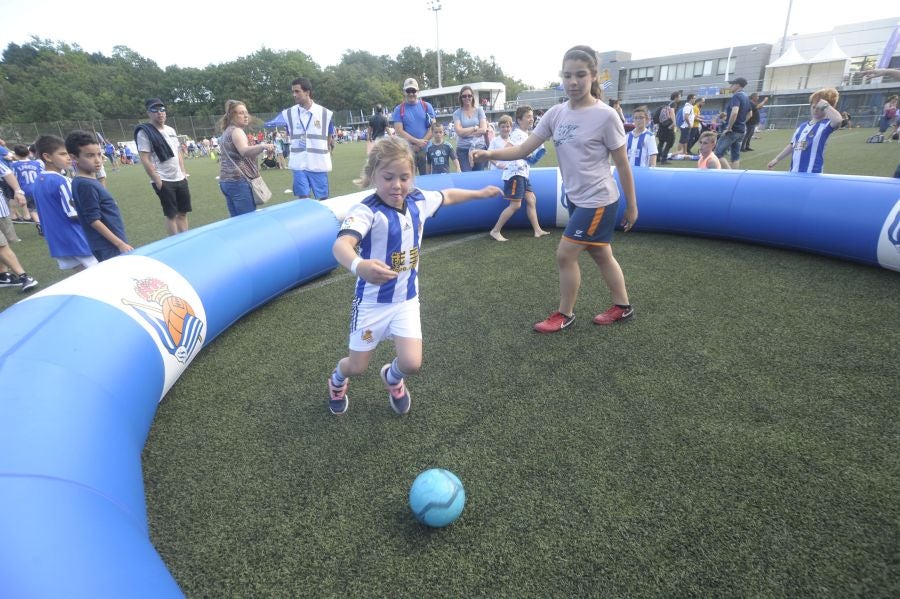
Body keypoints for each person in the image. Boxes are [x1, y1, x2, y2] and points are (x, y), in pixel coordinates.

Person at [326, 135, 501, 415]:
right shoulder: (365, 211)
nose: (397, 185)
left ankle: (392, 378)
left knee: (412, 363)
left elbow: (448, 195)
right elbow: (341, 245)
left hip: (406, 300)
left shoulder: (419, 200)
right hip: (372, 304)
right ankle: (337, 380)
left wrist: (480, 194)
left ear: (413, 177)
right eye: (388, 177)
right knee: (357, 367)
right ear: (373, 176)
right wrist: (360, 266)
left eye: (404, 177)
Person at [473, 44, 638, 334]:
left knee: (565, 254)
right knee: (600, 253)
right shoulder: (556, 113)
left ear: (594, 76)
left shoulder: (606, 116)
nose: (573, 82)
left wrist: (632, 206)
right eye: (567, 75)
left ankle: (565, 314)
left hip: (598, 199)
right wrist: (490, 155)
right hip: (577, 199)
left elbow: (622, 164)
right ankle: (622, 307)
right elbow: (524, 148)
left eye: (580, 75)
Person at [31, 135, 99, 271]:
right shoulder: (63, 181)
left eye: (68, 153)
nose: (68, 157)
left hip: (56, 240)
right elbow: (74, 213)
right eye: (62, 154)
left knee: (81, 275)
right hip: (76, 238)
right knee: (99, 273)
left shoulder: (38, 181)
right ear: (48, 157)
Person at [66, 131, 133, 262]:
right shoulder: (86, 185)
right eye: (90, 156)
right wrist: (119, 244)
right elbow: (93, 220)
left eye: (99, 154)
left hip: (109, 242)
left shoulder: (85, 181)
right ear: (74, 157)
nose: (97, 160)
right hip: (108, 245)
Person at [487, 110, 551, 242]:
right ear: (519, 120)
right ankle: (495, 230)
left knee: (531, 199)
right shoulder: (517, 134)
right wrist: (523, 155)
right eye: (528, 116)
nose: (531, 119)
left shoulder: (526, 135)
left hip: (523, 173)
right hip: (515, 174)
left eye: (532, 116)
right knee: (515, 205)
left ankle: (537, 230)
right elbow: (507, 149)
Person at [135, 98, 192, 235]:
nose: (159, 113)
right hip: (164, 180)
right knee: (171, 215)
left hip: (179, 178)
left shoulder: (171, 130)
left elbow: (178, 152)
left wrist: (183, 172)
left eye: (162, 109)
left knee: (182, 213)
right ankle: (175, 243)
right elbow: (145, 158)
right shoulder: (145, 132)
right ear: (148, 113)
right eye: (154, 110)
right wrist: (158, 180)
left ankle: (186, 239)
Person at [280, 77, 335, 199]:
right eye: (293, 91)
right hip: (299, 163)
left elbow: (329, 137)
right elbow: (289, 134)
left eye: (297, 91)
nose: (294, 95)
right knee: (303, 198)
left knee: (323, 199)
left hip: (318, 163)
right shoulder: (288, 114)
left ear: (307, 92)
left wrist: (327, 150)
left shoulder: (325, 113)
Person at [218, 100, 276, 217]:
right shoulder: (237, 131)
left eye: (246, 112)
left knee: (236, 220)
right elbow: (244, 151)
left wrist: (259, 151)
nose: (245, 116)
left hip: (226, 181)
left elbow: (240, 156)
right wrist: (263, 146)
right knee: (248, 220)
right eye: (241, 113)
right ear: (232, 116)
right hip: (238, 181)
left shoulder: (226, 132)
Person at [766, 88, 843, 174]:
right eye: (814, 106)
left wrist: (826, 106)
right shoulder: (802, 126)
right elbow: (792, 145)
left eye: (819, 107)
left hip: (812, 173)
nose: (816, 109)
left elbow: (838, 120)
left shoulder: (826, 125)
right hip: (794, 172)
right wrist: (777, 159)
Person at [0, 160, 38, 292]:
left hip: (1, 210)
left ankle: (3, 275)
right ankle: (24, 277)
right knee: (2, 246)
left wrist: (18, 191)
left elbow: (6, 172)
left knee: (4, 244)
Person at [391, 78, 436, 175]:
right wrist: (417, 143)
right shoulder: (399, 109)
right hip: (408, 151)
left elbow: (433, 128)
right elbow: (399, 130)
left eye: (413, 91)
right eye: (408, 91)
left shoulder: (427, 106)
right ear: (404, 92)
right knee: (409, 181)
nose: (411, 93)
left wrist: (420, 144)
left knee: (428, 180)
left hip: (426, 150)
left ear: (418, 91)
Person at [714, 77, 751, 169]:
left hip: (732, 131)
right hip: (741, 131)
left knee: (717, 153)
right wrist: (741, 123)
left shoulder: (736, 96)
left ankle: (729, 174)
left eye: (732, 84)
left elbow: (734, 112)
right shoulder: (746, 97)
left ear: (738, 85)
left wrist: (729, 128)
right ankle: (735, 176)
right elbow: (750, 114)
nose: (730, 86)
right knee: (735, 156)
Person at [452, 85, 488, 172]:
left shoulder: (479, 110)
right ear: (461, 98)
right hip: (463, 150)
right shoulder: (457, 113)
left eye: (469, 95)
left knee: (479, 176)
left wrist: (465, 132)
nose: (467, 98)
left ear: (472, 96)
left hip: (479, 148)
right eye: (464, 96)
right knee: (466, 176)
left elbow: (483, 130)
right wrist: (475, 128)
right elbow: (459, 132)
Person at [9, 144, 43, 234]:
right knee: (42, 206)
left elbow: (13, 177)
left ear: (16, 154)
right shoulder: (37, 163)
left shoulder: (14, 165)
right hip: (38, 188)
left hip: (25, 190)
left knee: (32, 209)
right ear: (28, 153)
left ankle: (39, 224)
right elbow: (42, 174)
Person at [656, 90, 680, 164]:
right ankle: (664, 159)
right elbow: (672, 112)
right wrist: (674, 123)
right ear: (676, 97)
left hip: (662, 125)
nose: (680, 98)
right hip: (668, 126)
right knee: (670, 142)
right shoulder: (673, 104)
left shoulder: (667, 104)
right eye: (679, 97)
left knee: (661, 142)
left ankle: (657, 158)